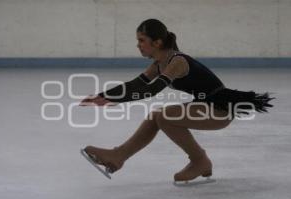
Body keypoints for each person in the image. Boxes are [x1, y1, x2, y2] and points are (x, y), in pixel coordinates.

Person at [79, 19, 274, 182]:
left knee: (163, 116)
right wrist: (104, 96)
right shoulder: (159, 64)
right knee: (158, 115)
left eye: (142, 40)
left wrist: (113, 101)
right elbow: (135, 85)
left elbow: (151, 91)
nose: (138, 45)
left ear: (157, 42)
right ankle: (118, 155)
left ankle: (199, 161)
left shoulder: (177, 62)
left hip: (219, 110)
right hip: (205, 106)